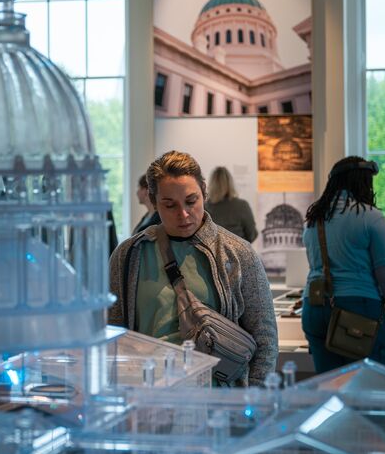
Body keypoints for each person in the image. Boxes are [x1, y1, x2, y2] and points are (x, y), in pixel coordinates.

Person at [108, 151, 277, 386]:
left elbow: (265, 339)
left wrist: (254, 402)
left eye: (191, 201)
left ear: (204, 193)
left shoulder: (237, 253)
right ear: (154, 202)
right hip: (150, 397)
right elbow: (115, 333)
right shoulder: (128, 254)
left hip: (217, 400)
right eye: (170, 205)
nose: (184, 214)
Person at [301, 157, 385, 372]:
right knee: (368, 386)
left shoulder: (314, 220)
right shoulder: (370, 217)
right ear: (362, 183)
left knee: (331, 386)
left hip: (314, 307)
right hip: (358, 309)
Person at [204, 166, 258, 243]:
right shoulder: (242, 205)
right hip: (238, 252)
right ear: (230, 183)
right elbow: (252, 235)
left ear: (211, 184)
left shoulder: (204, 208)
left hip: (212, 254)